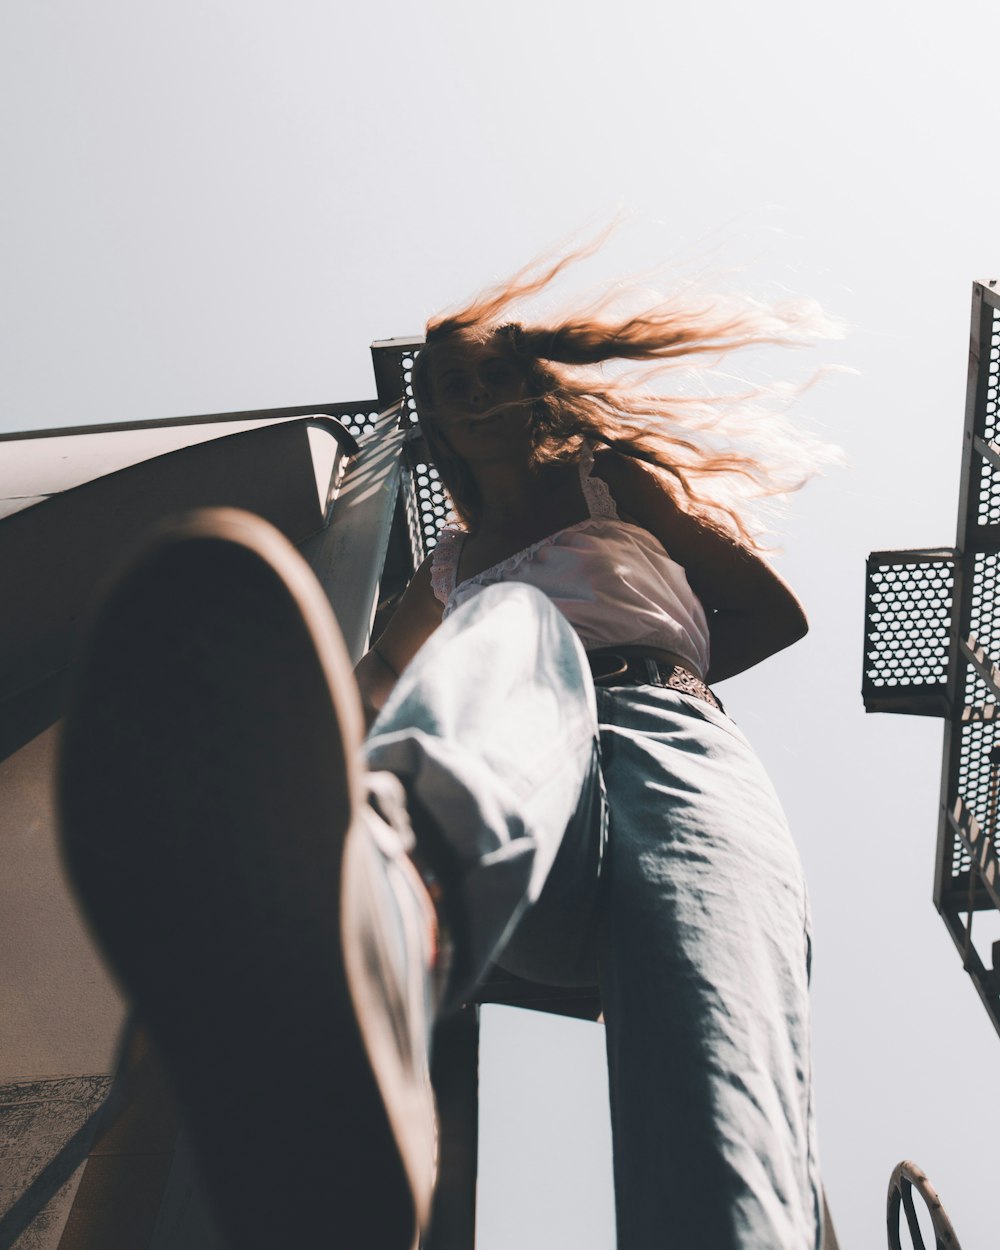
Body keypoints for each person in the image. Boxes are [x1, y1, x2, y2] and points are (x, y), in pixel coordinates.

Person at [58, 250, 832, 1250]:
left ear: (527, 384)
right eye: (451, 386)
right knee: (514, 620)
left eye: (489, 375)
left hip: (676, 748)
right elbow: (364, 688)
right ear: (436, 417)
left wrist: (654, 658)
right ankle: (391, 919)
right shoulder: (451, 570)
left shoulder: (609, 481)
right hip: (519, 783)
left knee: (724, 1093)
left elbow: (773, 613)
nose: (474, 396)